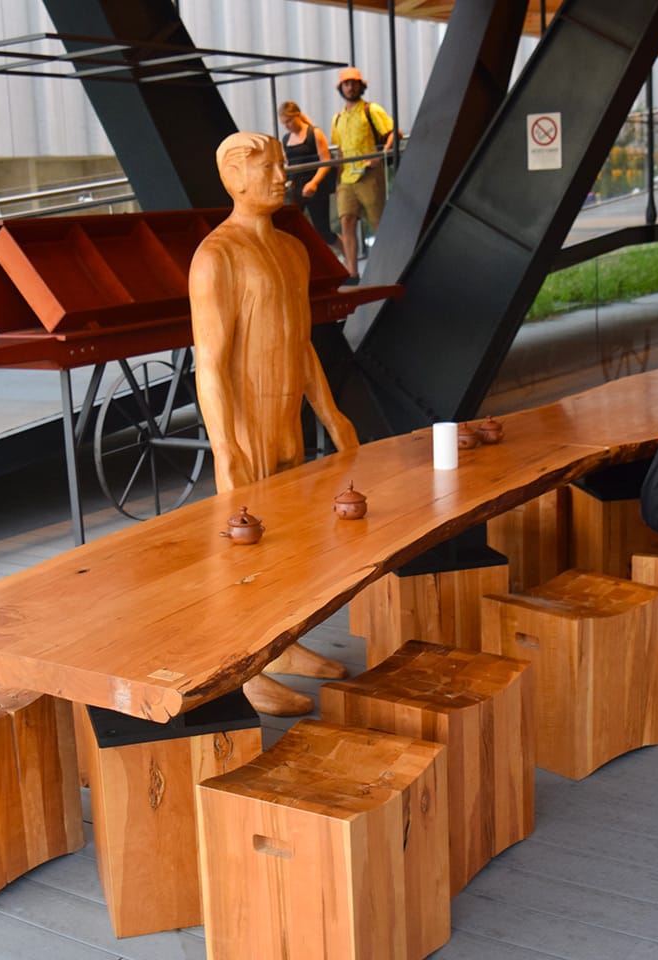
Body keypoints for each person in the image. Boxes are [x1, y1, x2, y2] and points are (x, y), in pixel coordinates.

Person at [189, 131, 361, 715]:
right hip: (247, 427)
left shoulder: (292, 250)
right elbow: (207, 363)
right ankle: (247, 669)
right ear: (234, 178)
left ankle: (283, 645)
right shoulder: (216, 256)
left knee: (295, 548)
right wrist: (224, 448)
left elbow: (302, 341)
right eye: (266, 167)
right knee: (247, 555)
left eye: (282, 165)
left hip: (288, 417)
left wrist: (331, 413)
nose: (281, 176)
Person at [330, 66, 395, 283]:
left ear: (361, 86)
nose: (350, 87)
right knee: (346, 221)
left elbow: (393, 133)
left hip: (369, 173)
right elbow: (339, 150)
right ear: (341, 88)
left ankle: (390, 264)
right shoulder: (338, 118)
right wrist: (337, 181)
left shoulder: (371, 109)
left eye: (354, 83)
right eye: (346, 84)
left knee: (377, 221)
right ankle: (352, 272)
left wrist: (381, 156)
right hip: (347, 176)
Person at [279, 101, 338, 252]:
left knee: (323, 230)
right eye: (284, 123)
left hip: (315, 186)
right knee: (292, 227)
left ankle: (348, 259)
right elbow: (287, 162)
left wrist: (314, 182)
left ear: (297, 116)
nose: (287, 126)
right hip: (295, 187)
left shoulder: (314, 133)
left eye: (289, 121)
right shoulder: (286, 139)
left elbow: (326, 161)